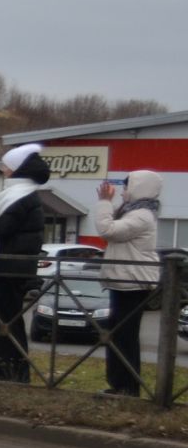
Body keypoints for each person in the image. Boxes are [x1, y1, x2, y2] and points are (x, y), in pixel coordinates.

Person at [0, 143, 49, 384]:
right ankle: (6, 374)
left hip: (6, 270)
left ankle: (10, 375)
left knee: (7, 327)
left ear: (17, 169)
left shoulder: (20, 197)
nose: (2, 170)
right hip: (10, 269)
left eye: (5, 166)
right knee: (6, 325)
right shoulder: (22, 196)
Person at [92, 169, 162, 397]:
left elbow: (108, 230)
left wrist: (103, 202)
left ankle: (127, 387)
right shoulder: (135, 212)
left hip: (133, 281)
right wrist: (108, 204)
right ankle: (119, 384)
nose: (123, 193)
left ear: (138, 188)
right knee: (118, 333)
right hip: (125, 280)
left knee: (125, 335)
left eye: (126, 187)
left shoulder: (141, 215)